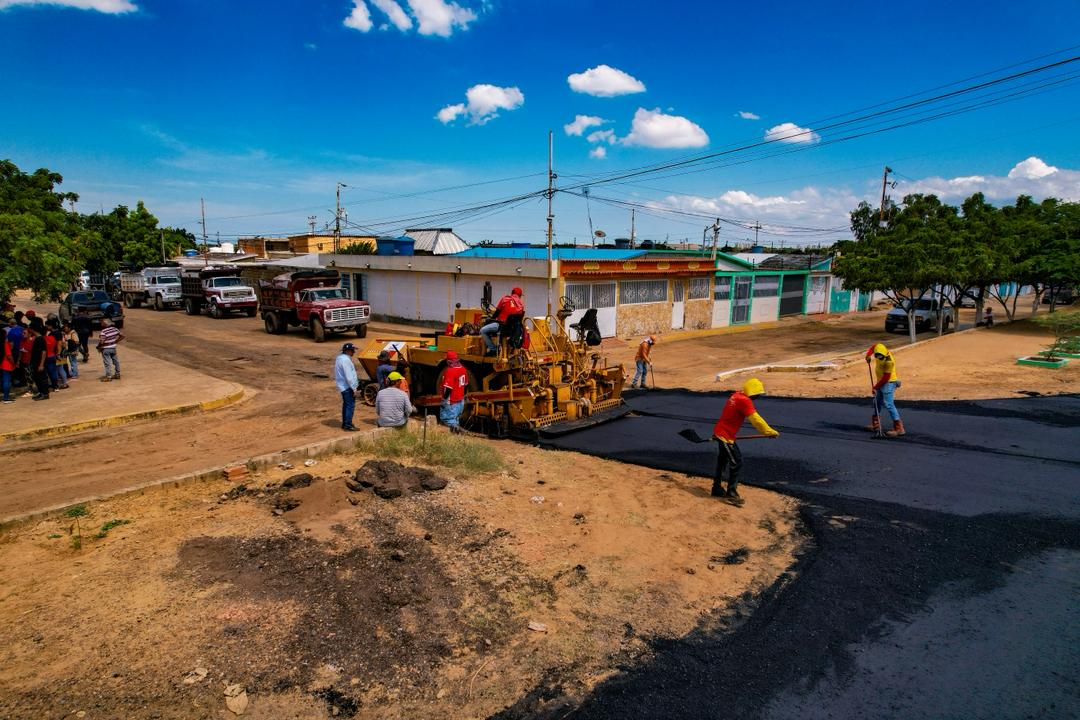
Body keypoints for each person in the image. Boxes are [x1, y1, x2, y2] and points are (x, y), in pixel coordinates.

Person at [710, 377, 780, 506]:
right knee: (737, 462)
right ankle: (731, 493)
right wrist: (769, 432)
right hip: (725, 436)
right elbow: (756, 419)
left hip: (722, 433)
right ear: (753, 392)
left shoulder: (736, 395)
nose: (758, 397)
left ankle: (716, 488)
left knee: (723, 461)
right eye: (757, 394)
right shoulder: (744, 401)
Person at [866, 343, 904, 437]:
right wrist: (868, 355)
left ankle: (899, 428)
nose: (879, 358)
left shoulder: (889, 361)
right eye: (877, 356)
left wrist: (875, 387)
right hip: (880, 382)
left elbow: (886, 378)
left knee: (889, 404)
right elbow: (874, 346)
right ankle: (876, 424)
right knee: (876, 401)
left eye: (880, 357)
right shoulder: (879, 349)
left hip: (888, 383)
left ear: (884, 355)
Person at [480, 287, 525, 356]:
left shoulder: (505, 299)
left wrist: (490, 319)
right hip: (513, 330)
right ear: (519, 295)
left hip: (502, 327)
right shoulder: (521, 304)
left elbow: (496, 313)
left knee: (482, 330)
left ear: (512, 293)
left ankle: (493, 349)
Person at [439, 350, 468, 432]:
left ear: (448, 361)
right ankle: (457, 437)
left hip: (452, 402)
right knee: (455, 419)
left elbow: (449, 388)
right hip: (460, 401)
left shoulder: (450, 371)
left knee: (447, 420)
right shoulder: (463, 369)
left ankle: (455, 435)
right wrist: (464, 396)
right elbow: (466, 384)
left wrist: (444, 400)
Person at [335, 342, 360, 431]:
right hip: (347, 386)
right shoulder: (345, 360)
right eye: (353, 350)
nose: (354, 352)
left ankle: (345, 423)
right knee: (350, 405)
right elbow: (349, 376)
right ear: (348, 351)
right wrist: (354, 388)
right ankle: (348, 424)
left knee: (346, 405)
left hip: (343, 385)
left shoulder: (339, 358)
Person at [26, 320, 50, 401]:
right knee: (37, 378)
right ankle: (41, 392)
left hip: (39, 362)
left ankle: (45, 393)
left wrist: (41, 364)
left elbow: (43, 352)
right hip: (35, 362)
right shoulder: (37, 338)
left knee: (41, 378)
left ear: (32, 329)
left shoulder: (40, 339)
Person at [97, 317, 124, 381]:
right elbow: (122, 336)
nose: (101, 324)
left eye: (102, 323)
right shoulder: (115, 329)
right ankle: (117, 374)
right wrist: (116, 341)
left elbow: (102, 342)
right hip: (113, 348)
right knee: (116, 361)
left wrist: (98, 347)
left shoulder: (103, 332)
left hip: (106, 349)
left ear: (104, 324)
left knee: (107, 363)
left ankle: (108, 376)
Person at [1, 325, 15, 403]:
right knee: (7, 381)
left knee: (3, 381)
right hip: (6, 364)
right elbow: (9, 355)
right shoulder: (5, 343)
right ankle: (6, 398)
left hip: (1, 364)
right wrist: (13, 363)